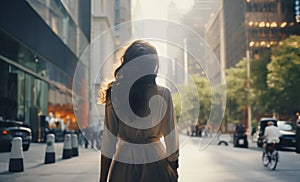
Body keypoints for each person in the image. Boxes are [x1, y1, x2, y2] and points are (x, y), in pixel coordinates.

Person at [99, 40, 179, 182]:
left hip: (123, 163)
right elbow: (171, 141)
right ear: (154, 66)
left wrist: (102, 179)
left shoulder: (115, 93)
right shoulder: (163, 94)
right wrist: (173, 170)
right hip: (156, 163)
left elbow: (108, 143)